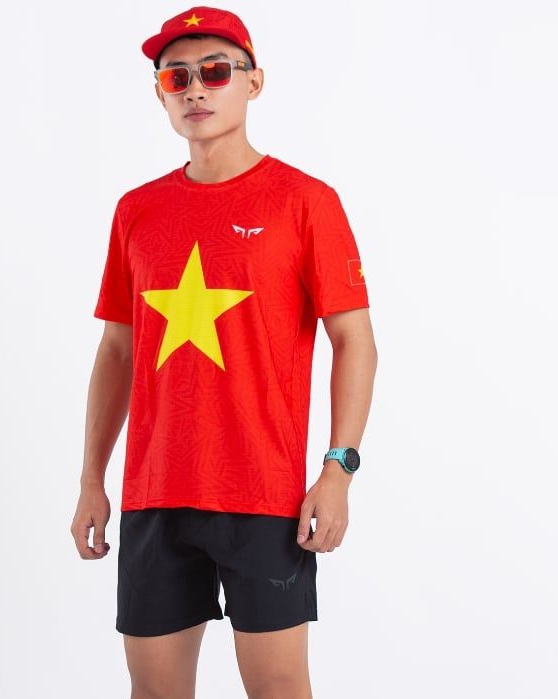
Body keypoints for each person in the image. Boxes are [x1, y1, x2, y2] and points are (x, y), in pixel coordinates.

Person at [71, 6, 378, 698]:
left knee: (278, 688)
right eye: (175, 77)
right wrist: (92, 479)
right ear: (160, 93)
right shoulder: (136, 210)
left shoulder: (305, 201)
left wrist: (338, 469)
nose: (195, 89)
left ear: (253, 82)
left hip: (264, 494)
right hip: (154, 492)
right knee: (153, 690)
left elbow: (354, 339)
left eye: (214, 71)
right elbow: (116, 350)